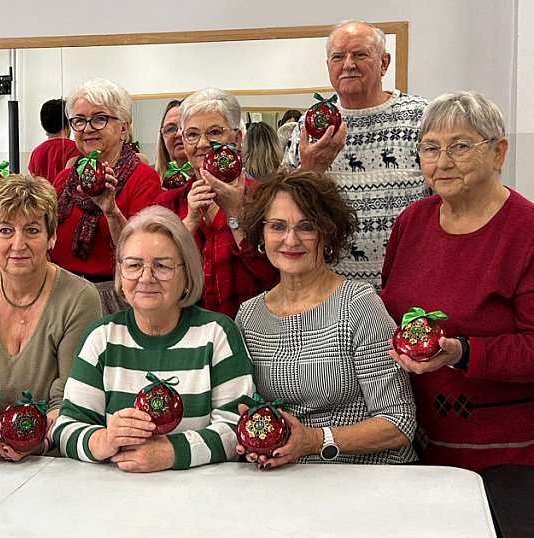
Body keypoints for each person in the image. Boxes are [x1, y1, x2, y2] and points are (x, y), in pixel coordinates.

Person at [381, 91, 534, 472]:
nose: (442, 162)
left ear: (498, 153)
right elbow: (391, 302)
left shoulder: (526, 231)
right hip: (414, 444)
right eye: (430, 148)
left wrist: (462, 353)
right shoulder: (412, 222)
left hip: (506, 458)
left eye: (460, 146)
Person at [235, 168, 416, 466]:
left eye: (306, 227)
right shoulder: (249, 316)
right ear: (261, 235)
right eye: (277, 227)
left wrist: (315, 440)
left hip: (367, 476)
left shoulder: (359, 305)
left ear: (328, 235)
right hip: (285, 482)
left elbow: (399, 423)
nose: (290, 240)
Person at [54, 206, 256, 472]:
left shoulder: (217, 333)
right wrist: (103, 439)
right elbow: (66, 427)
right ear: (121, 274)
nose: (146, 278)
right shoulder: (101, 338)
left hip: (202, 496)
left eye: (162, 266)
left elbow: (237, 427)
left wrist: (172, 452)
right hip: (116, 496)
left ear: (187, 274)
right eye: (134, 265)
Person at [0, 174, 101, 460]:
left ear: (52, 236)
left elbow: (69, 398)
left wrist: (37, 444)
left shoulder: (79, 297)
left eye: (32, 230)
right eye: (6, 231)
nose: (18, 244)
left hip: (52, 453)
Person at [281, 20, 429, 288]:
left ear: (384, 63)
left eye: (360, 54)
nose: (348, 64)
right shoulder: (308, 126)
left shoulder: (420, 118)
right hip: (331, 295)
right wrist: (310, 171)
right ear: (329, 65)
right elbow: (284, 210)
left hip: (409, 287)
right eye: (338, 56)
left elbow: (444, 201)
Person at [155, 88, 278, 318]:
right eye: (192, 134)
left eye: (214, 132)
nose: (202, 144)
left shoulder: (265, 198)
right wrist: (190, 221)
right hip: (187, 336)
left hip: (253, 333)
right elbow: (154, 275)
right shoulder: (167, 205)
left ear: (237, 138)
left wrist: (235, 215)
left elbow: (274, 275)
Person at [51, 78, 161, 314]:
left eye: (100, 118)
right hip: (60, 293)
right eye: (79, 121)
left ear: (123, 127)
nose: (88, 128)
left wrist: (110, 211)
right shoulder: (65, 179)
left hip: (115, 297)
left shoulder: (143, 179)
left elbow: (142, 253)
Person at [28, 98, 80, 182]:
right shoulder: (74, 148)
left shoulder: (36, 152)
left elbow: (35, 185)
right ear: (68, 123)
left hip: (43, 195)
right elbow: (69, 182)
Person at [154, 99, 191, 187]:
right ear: (162, 136)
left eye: (185, 127)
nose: (179, 134)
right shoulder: (150, 178)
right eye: (171, 129)